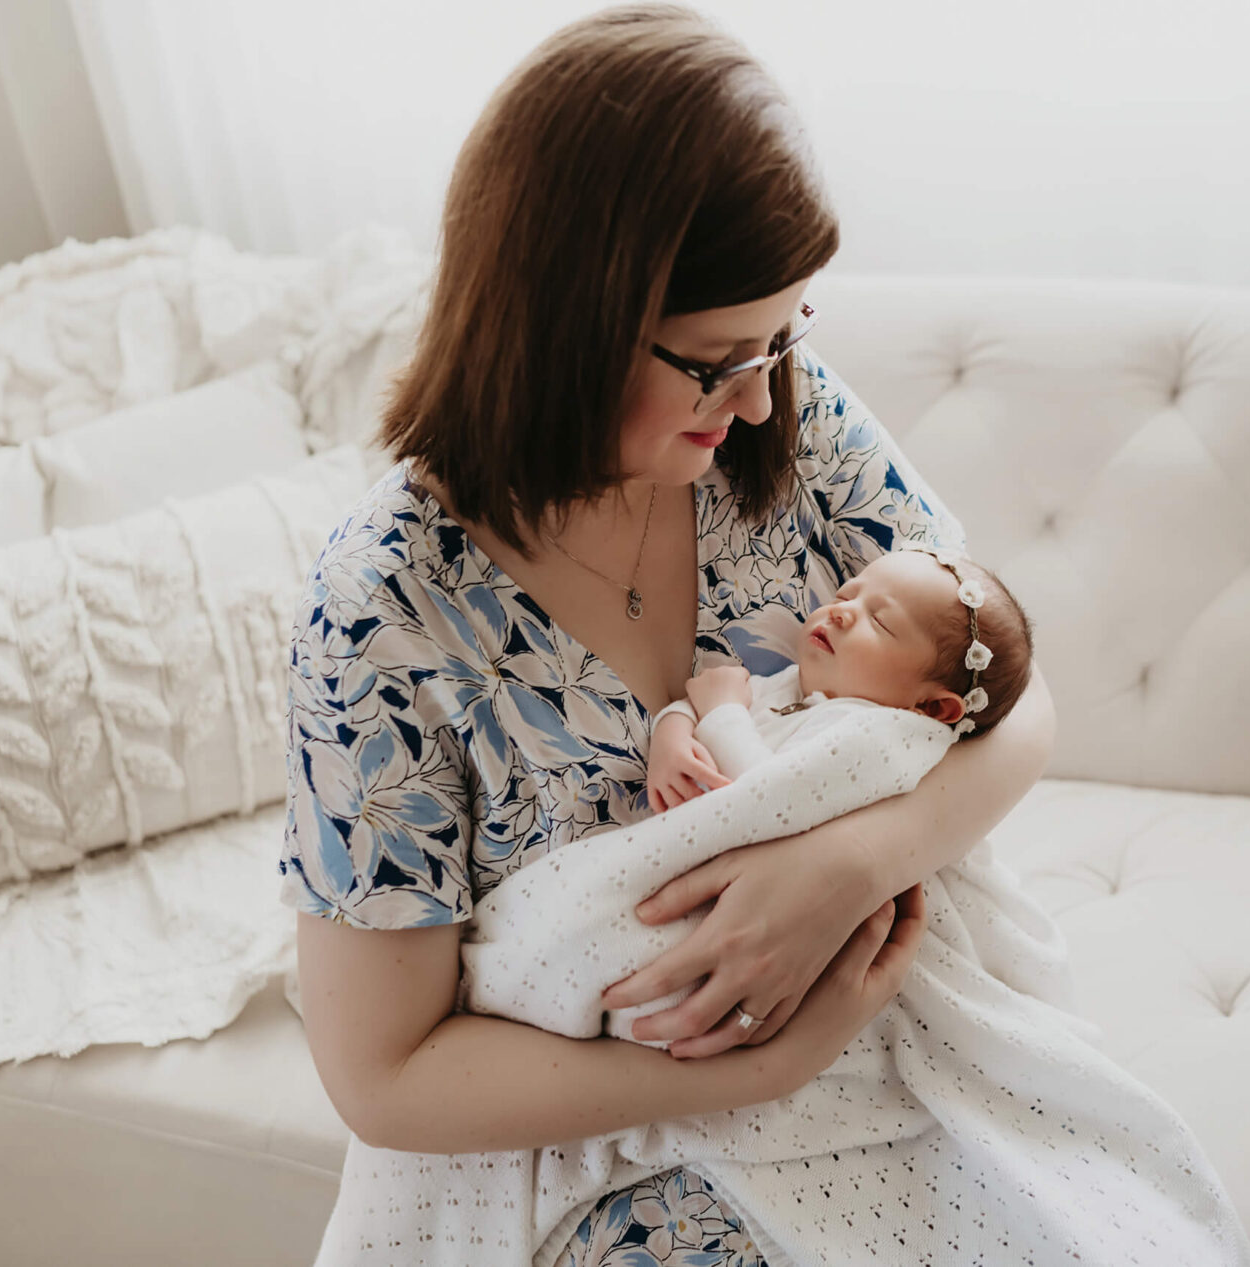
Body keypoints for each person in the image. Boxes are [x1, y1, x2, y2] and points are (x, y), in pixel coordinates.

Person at [280, 6, 1056, 1263]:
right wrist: (742, 1072)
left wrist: (853, 863)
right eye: (713, 358)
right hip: (606, 1142)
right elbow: (384, 1073)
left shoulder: (787, 427)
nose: (756, 399)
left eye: (782, 337)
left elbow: (1011, 699)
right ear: (565, 323)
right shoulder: (384, 613)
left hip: (878, 1049)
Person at [646, 545, 1032, 817]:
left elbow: (772, 804)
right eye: (846, 595)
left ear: (932, 707)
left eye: (879, 621)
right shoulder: (795, 684)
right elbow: (700, 705)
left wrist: (723, 711)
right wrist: (673, 733)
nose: (841, 612)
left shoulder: (876, 737)